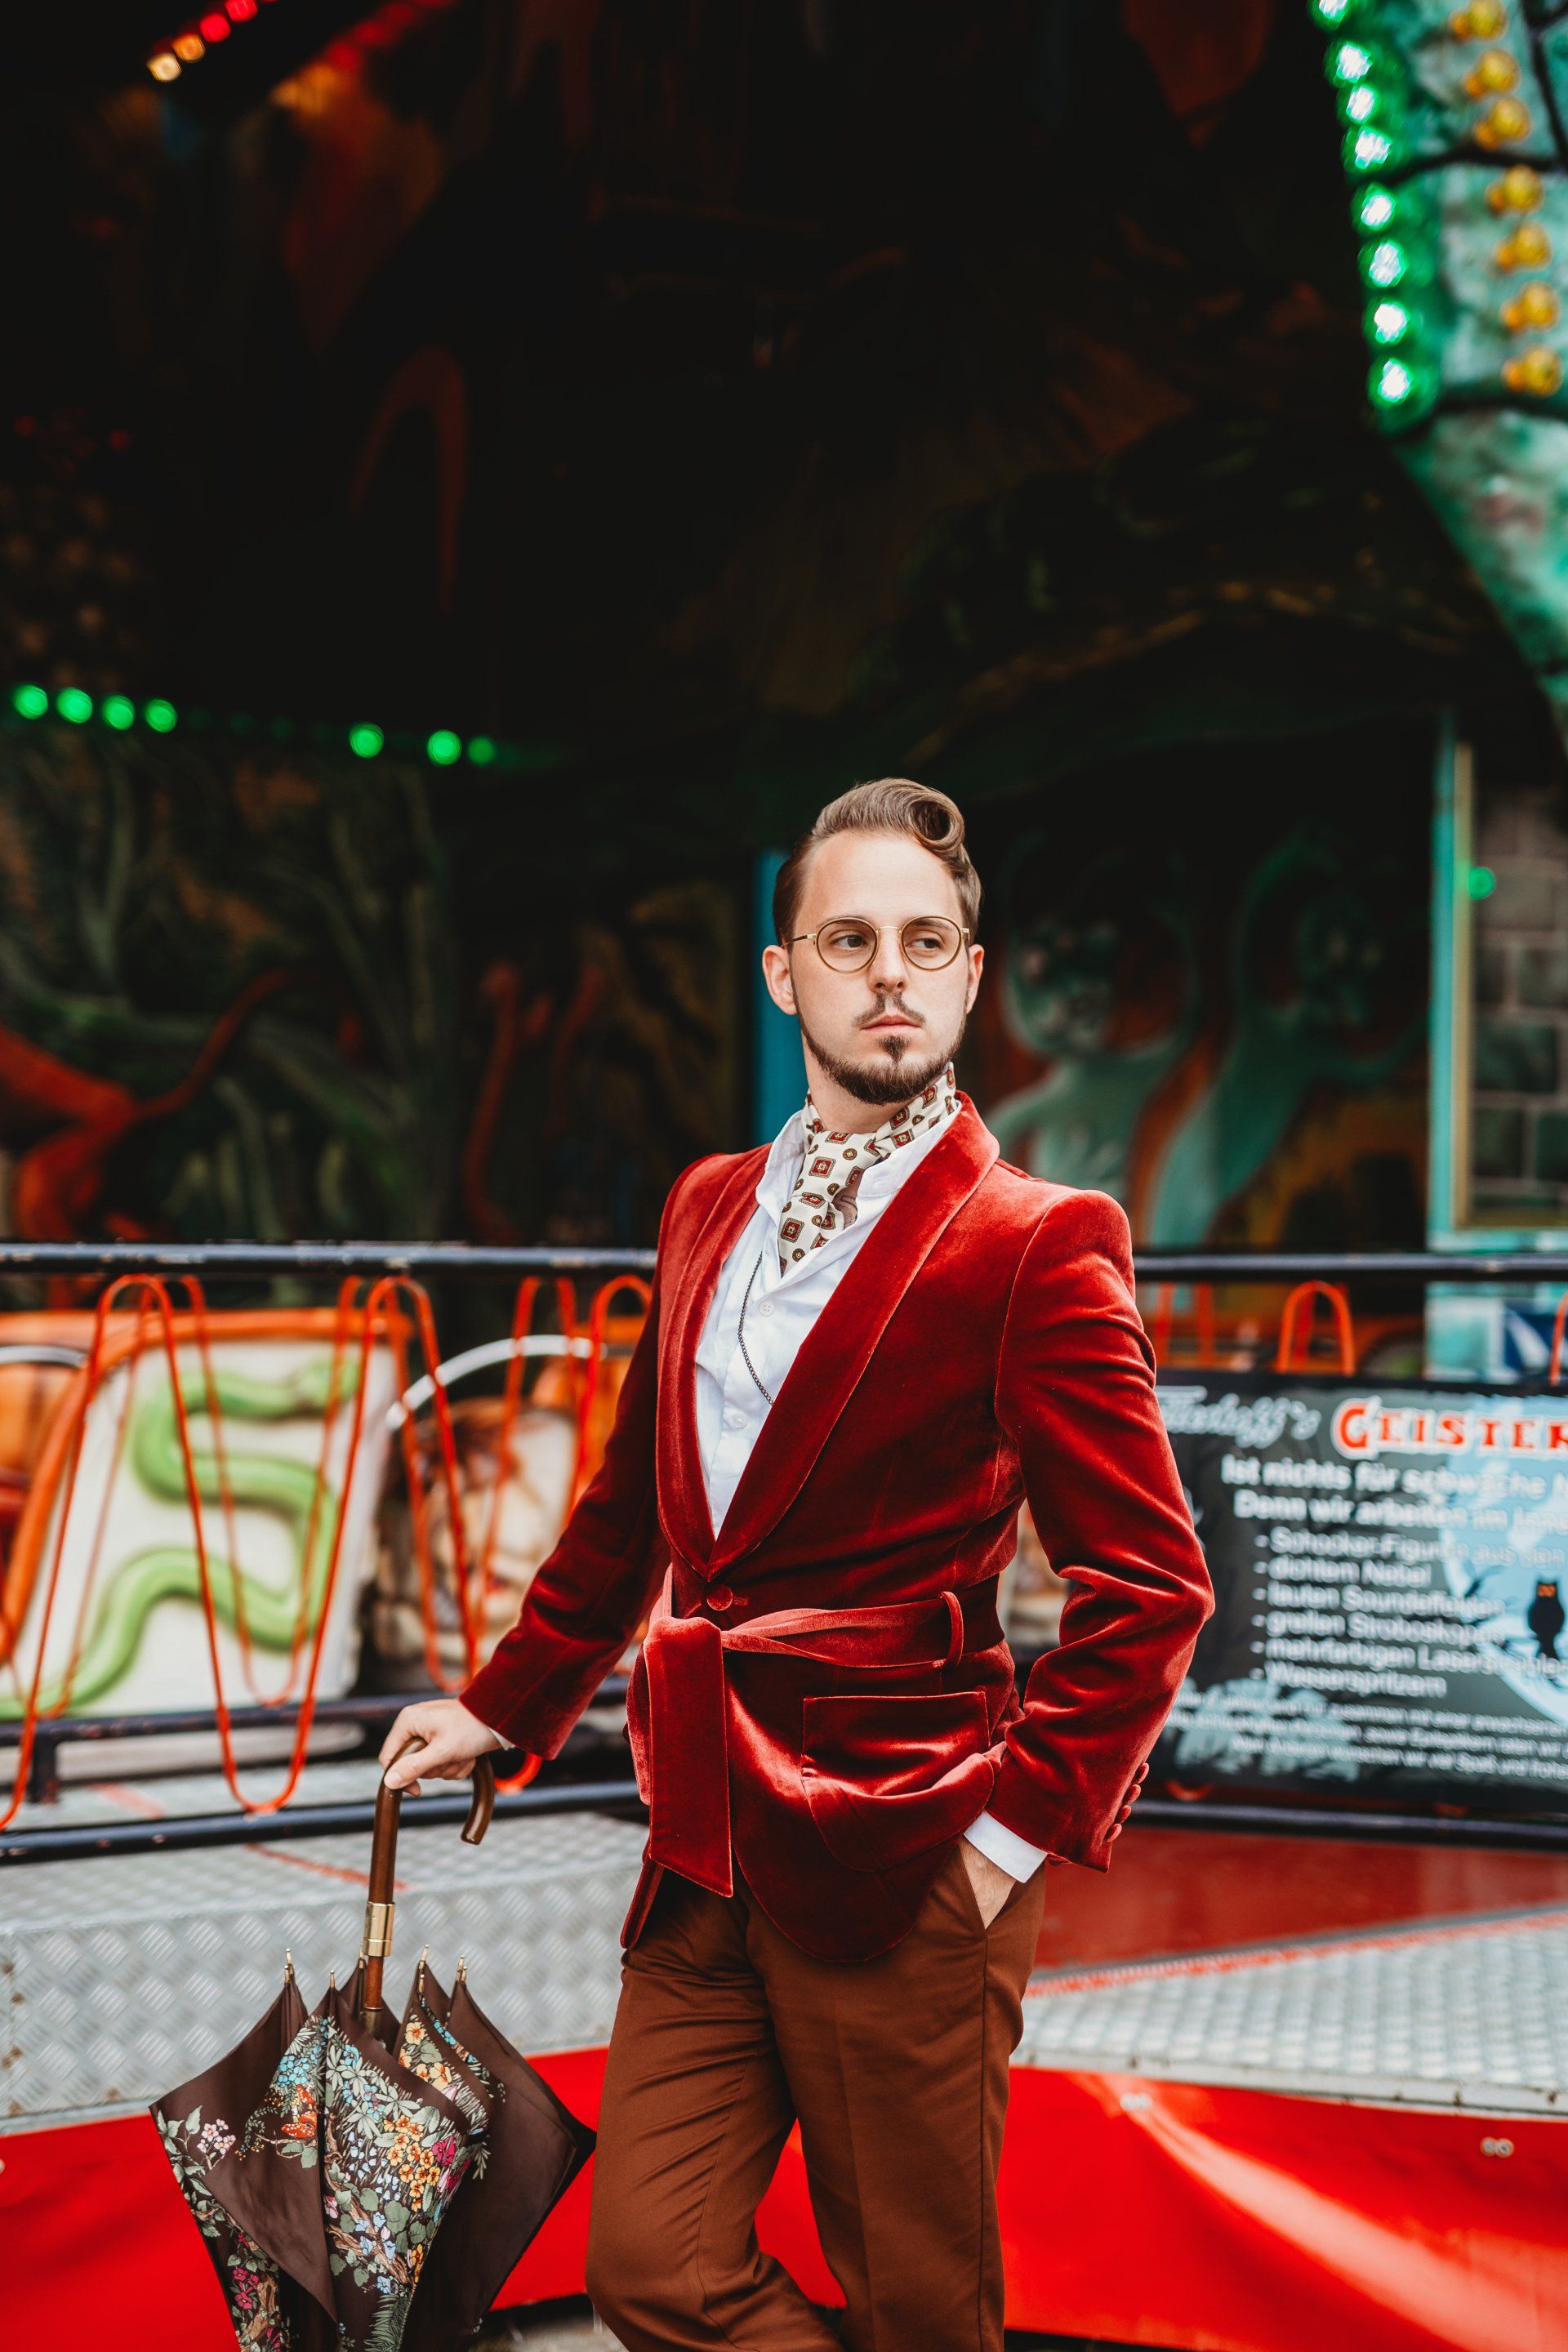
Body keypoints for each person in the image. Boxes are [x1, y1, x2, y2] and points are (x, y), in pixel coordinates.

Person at [380, 777, 1213, 2352]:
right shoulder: (705, 1204)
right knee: (650, 2270)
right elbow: (637, 1502)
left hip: (909, 1846)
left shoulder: (1039, 1238)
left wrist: (1008, 1843)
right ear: (787, 975)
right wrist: (510, 1700)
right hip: (702, 1843)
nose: (889, 972)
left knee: (916, 2309)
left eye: (925, 941)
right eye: (849, 939)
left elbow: (1151, 1588)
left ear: (971, 974)